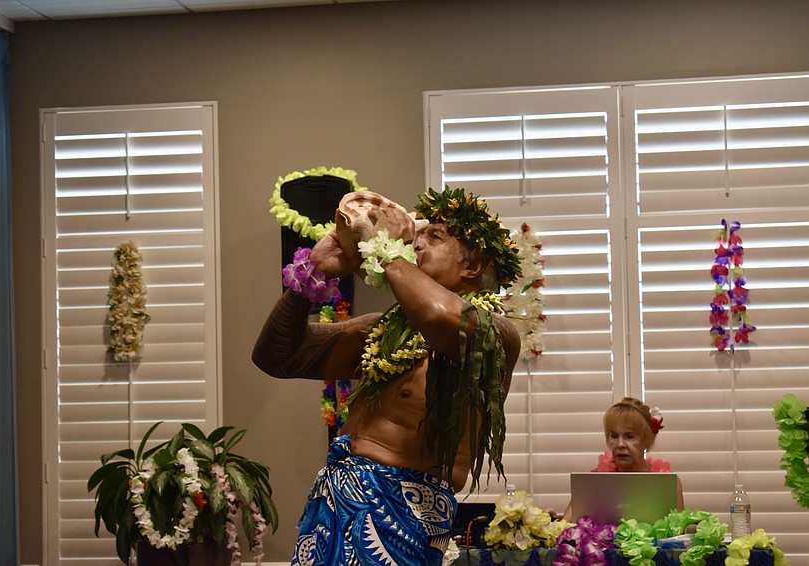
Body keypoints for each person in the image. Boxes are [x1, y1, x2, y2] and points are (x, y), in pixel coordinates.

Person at [252, 187, 523, 565]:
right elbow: (277, 357)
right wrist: (311, 275)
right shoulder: (383, 330)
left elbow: (440, 316)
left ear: (472, 266)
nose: (416, 241)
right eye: (418, 235)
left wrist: (384, 246)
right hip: (336, 500)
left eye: (435, 236)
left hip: (403, 510)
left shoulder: (494, 334)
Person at [553, 397, 685, 520]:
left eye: (629, 436)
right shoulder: (592, 481)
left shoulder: (668, 482)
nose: (620, 444)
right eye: (614, 436)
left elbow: (678, 533)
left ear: (646, 439)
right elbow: (566, 525)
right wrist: (550, 521)